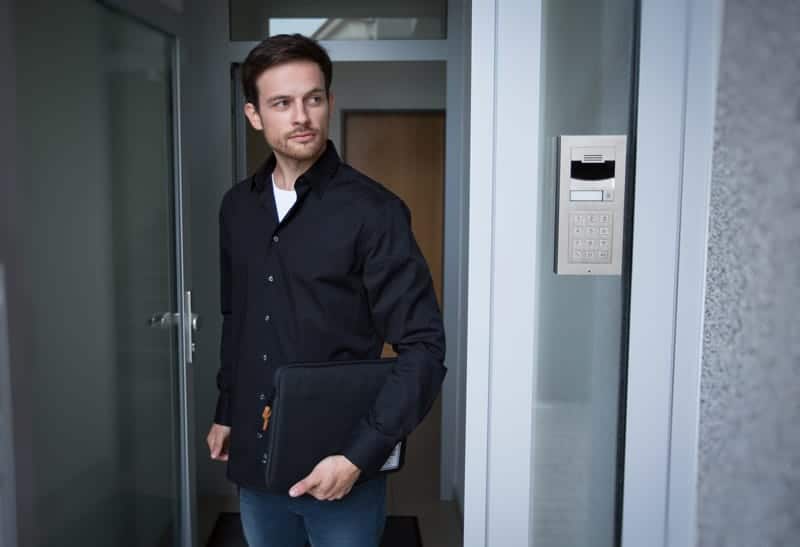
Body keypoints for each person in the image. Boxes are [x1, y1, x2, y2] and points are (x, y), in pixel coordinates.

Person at [205, 34, 446, 547]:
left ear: (329, 103)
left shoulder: (374, 212)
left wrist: (362, 454)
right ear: (254, 115)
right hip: (256, 455)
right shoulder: (237, 209)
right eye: (282, 103)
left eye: (313, 99)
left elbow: (423, 349)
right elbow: (237, 317)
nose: (302, 116)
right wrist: (227, 411)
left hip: (341, 464)